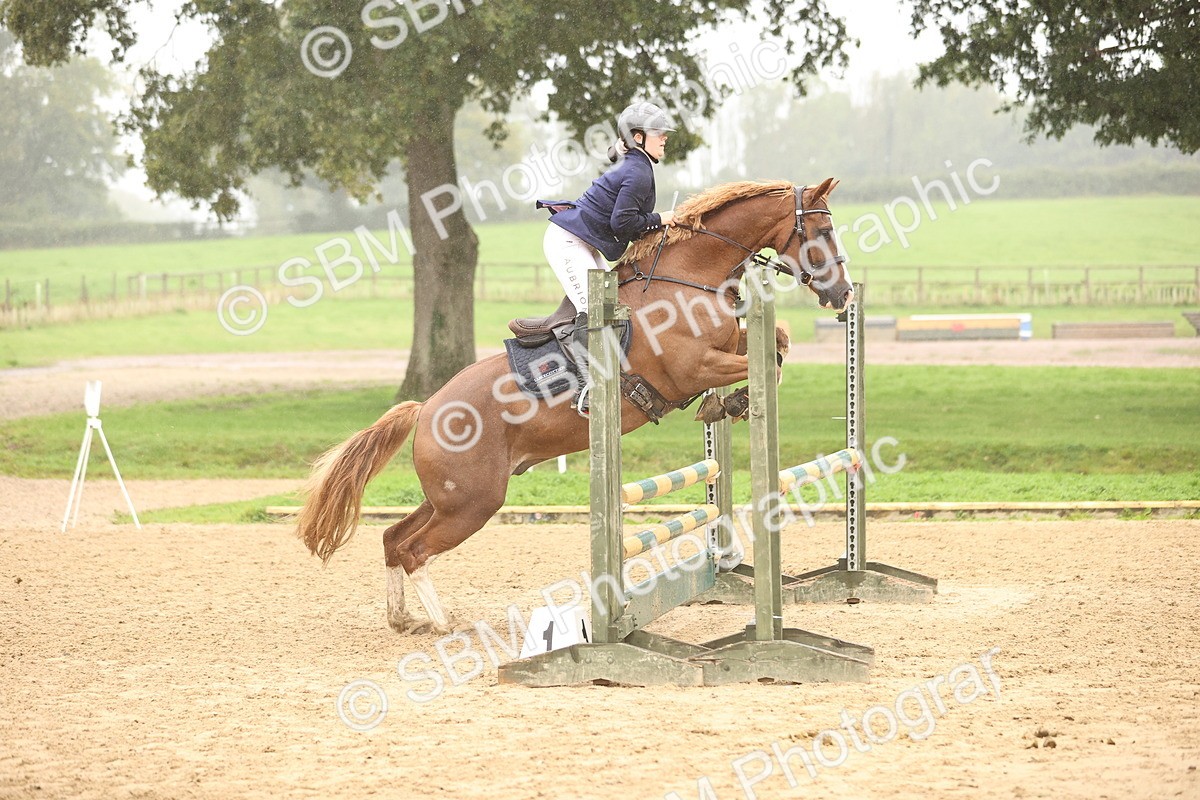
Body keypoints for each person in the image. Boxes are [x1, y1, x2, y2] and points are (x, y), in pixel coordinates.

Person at [542, 100, 677, 415]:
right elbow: (622, 224)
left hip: (583, 241)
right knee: (597, 309)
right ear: (638, 138)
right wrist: (663, 218)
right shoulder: (638, 170)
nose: (665, 138)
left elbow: (617, 157)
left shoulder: (635, 162)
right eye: (658, 132)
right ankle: (586, 386)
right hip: (567, 241)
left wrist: (619, 147)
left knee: (615, 305)